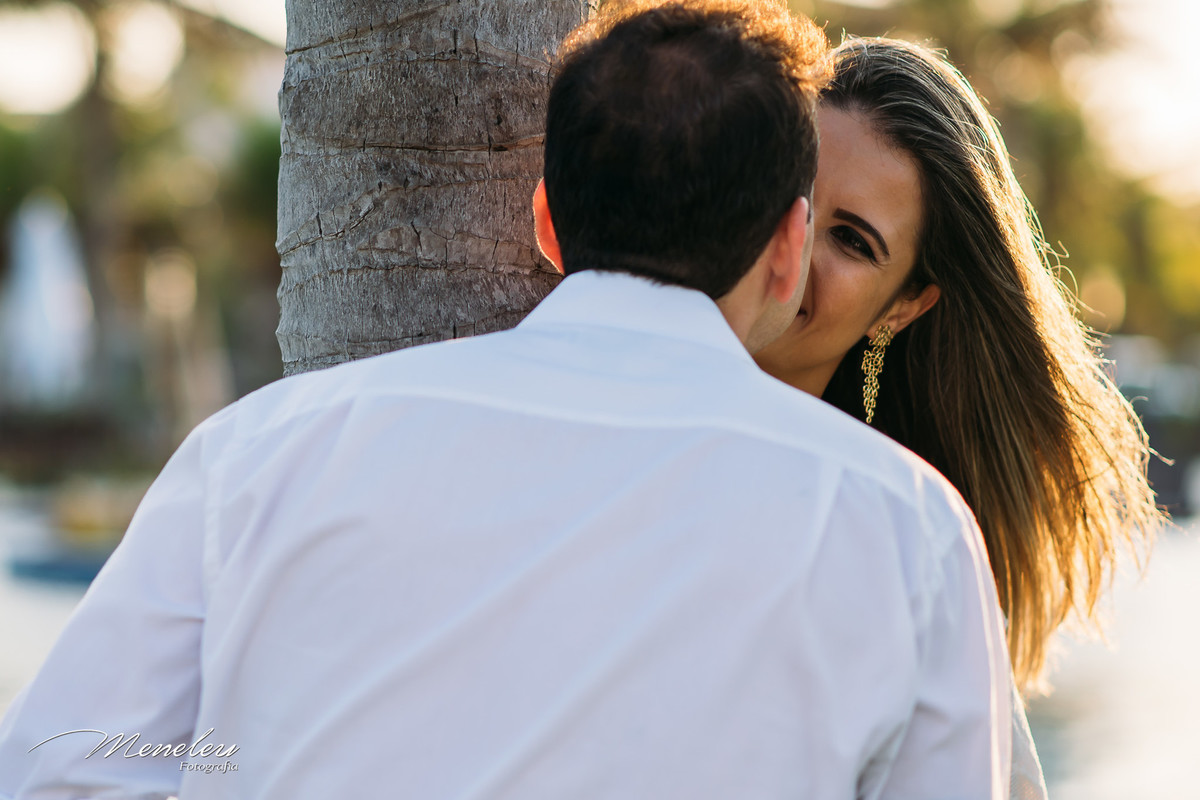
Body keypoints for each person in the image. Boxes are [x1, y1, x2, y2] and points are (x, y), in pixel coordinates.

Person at [0, 5, 1011, 798]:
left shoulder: (260, 452)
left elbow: (62, 764)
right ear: (785, 250)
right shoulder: (908, 530)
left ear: (544, 219)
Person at [754, 36, 1166, 798]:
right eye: (790, 191)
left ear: (905, 305)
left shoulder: (904, 546)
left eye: (851, 239)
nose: (795, 242)